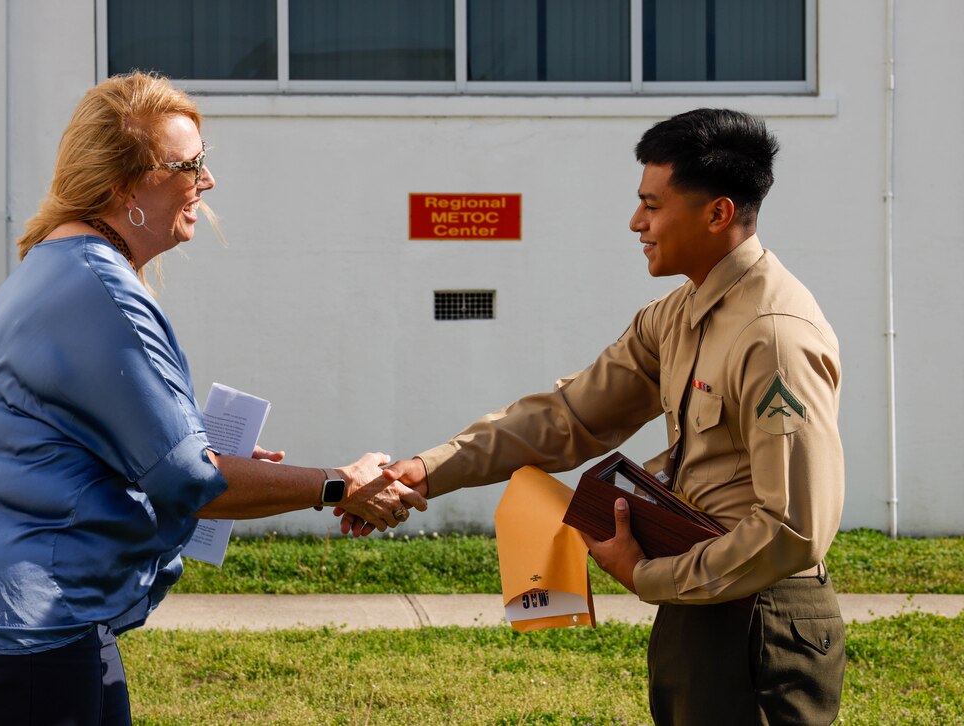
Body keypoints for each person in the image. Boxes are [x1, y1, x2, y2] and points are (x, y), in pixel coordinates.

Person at [0, 71, 426, 725]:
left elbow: (72, 444)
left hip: (9, 604)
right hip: (22, 614)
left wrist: (188, 446)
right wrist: (341, 485)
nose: (207, 181)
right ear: (122, 185)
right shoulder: (100, 289)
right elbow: (190, 484)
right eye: (188, 164)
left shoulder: (57, 265)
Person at [348, 108, 846, 724]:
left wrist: (648, 574)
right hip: (704, 603)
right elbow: (568, 416)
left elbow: (792, 529)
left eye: (652, 205)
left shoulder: (773, 335)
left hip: (759, 614)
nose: (636, 222)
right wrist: (428, 469)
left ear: (718, 213)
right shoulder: (675, 315)